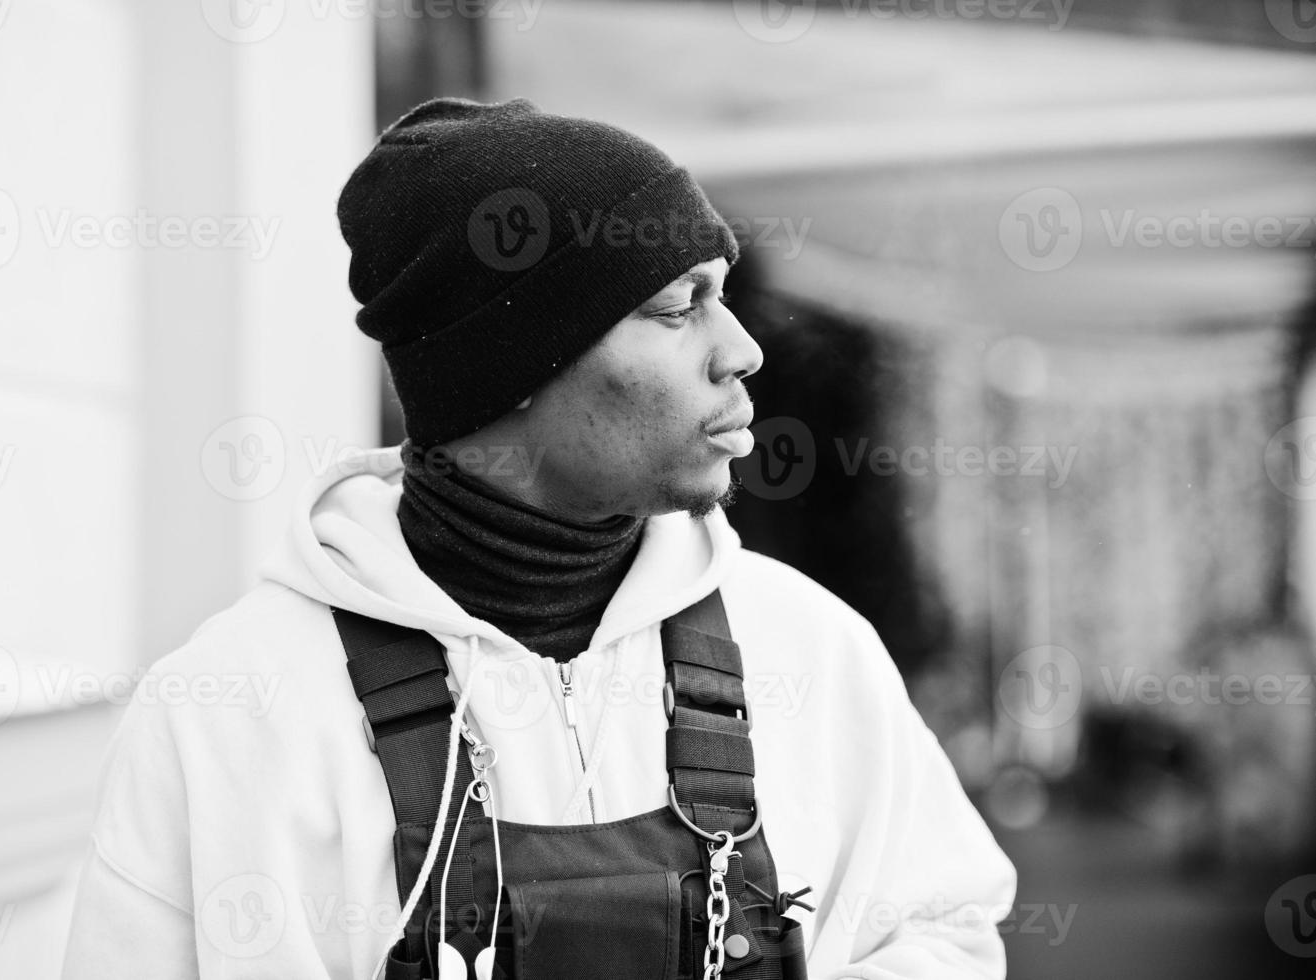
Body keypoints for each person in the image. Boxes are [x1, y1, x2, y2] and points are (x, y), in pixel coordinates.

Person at [61, 97, 1016, 980]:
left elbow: (946, 932)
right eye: (677, 307)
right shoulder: (229, 710)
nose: (742, 349)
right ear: (508, 369)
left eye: (721, 294)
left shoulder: (808, 647)